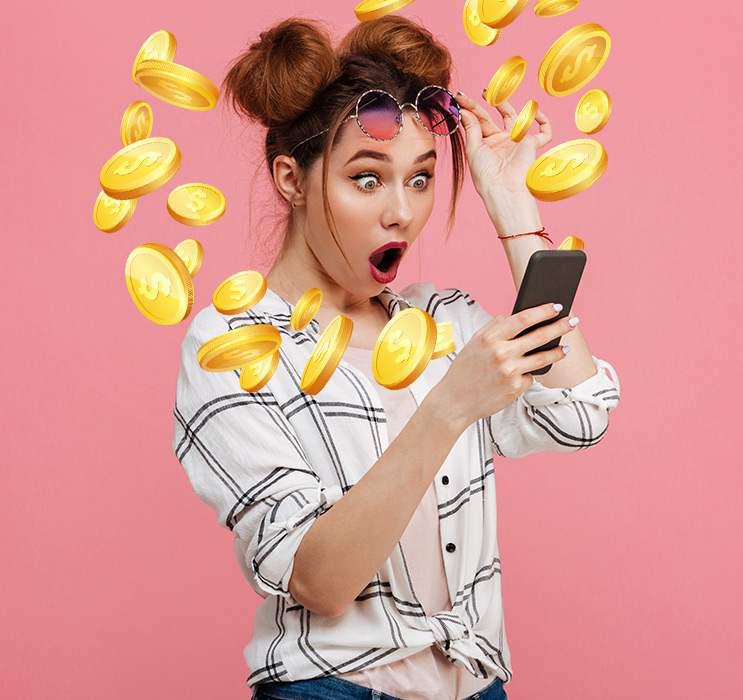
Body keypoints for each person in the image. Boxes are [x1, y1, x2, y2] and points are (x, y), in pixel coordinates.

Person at [171, 14, 622, 700]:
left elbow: (577, 415)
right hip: (330, 689)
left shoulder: (438, 321)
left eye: (419, 179)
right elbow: (320, 583)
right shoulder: (236, 345)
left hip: (476, 685)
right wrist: (446, 408)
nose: (401, 214)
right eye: (366, 178)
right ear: (291, 179)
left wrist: (509, 201)